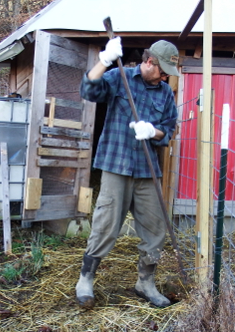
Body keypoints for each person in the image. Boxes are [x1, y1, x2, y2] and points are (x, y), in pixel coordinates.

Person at [76, 38, 179, 309]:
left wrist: (152, 132)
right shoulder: (119, 78)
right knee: (106, 225)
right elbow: (88, 89)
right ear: (149, 61)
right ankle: (86, 279)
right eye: (163, 69)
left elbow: (168, 129)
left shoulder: (165, 92)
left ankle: (145, 282)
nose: (165, 75)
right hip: (116, 164)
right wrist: (105, 60)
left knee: (156, 228)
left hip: (147, 170)